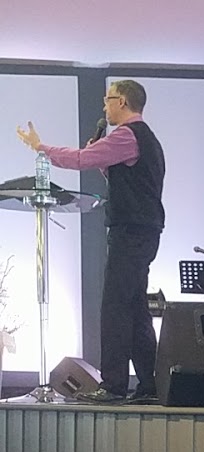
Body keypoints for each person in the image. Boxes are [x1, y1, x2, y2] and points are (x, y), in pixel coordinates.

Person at [17, 79, 165, 403]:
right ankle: (149, 385)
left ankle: (113, 386)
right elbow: (129, 179)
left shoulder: (126, 135)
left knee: (115, 307)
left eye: (108, 99)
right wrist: (102, 160)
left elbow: (81, 159)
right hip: (145, 231)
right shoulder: (146, 138)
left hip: (130, 232)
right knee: (136, 308)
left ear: (122, 101)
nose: (104, 106)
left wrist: (41, 148)